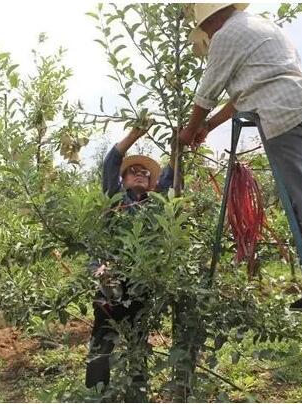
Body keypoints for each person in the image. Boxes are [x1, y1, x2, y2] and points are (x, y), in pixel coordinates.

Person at [179, 3, 302, 311]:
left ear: (209, 20)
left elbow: (207, 93)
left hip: (281, 113)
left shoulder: (226, 35)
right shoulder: (259, 24)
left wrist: (188, 132)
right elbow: (240, 96)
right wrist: (208, 126)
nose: (207, 35)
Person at [85, 125, 174, 399]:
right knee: (103, 336)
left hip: (141, 282)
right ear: (122, 180)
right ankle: (98, 390)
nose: (140, 175)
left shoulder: (154, 205)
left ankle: (138, 391)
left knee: (138, 338)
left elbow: (172, 173)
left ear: (151, 183)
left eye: (145, 173)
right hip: (110, 278)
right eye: (133, 171)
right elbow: (111, 161)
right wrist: (136, 133)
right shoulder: (114, 201)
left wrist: (183, 142)